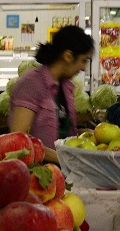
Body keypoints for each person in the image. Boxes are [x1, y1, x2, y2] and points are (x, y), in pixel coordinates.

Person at [9, 25, 95, 163]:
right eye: (83, 60)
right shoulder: (31, 84)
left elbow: (61, 132)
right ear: (68, 56)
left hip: (62, 171)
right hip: (37, 173)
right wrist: (62, 159)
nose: (83, 67)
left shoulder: (65, 86)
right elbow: (19, 139)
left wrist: (85, 135)